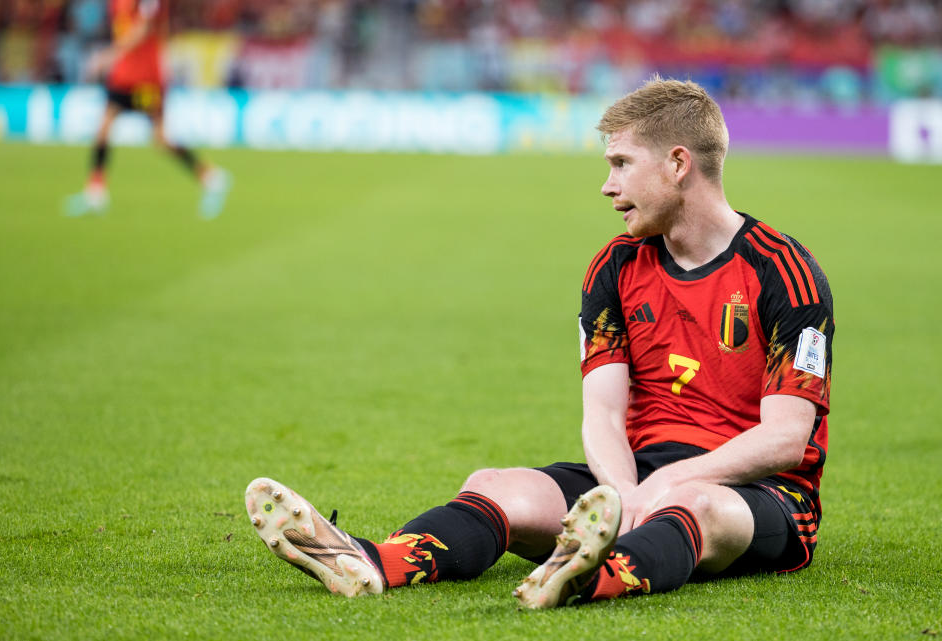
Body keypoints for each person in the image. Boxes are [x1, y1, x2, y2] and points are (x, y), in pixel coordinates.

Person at [244, 77, 833, 608]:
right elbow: (602, 413)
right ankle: (370, 562)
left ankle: (586, 575)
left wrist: (668, 485)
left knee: (698, 508)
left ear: (679, 163)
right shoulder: (615, 267)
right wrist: (626, 494)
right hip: (639, 475)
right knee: (494, 486)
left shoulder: (782, 271)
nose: (607, 186)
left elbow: (785, 439)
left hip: (758, 495)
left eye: (622, 164)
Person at [66, 0, 230, 218]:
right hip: (123, 78)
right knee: (103, 129)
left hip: (146, 80)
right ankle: (95, 192)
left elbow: (142, 29)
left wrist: (108, 55)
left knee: (161, 139)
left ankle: (211, 177)